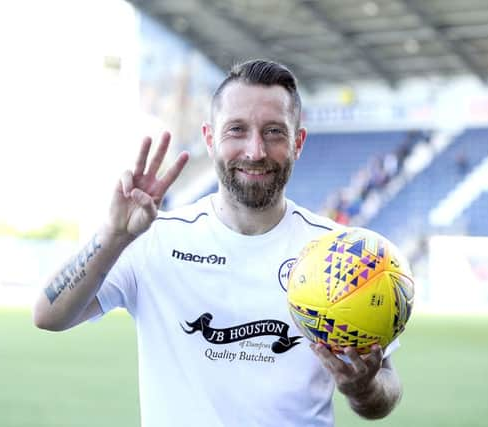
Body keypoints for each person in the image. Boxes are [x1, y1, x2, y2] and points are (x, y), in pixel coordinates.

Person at [33, 59, 403, 426]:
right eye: (237, 130)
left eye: (274, 131)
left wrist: (363, 388)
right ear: (210, 139)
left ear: (298, 142)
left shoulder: (338, 253)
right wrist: (112, 236)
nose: (255, 150)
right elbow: (49, 315)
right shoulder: (153, 238)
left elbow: (385, 388)